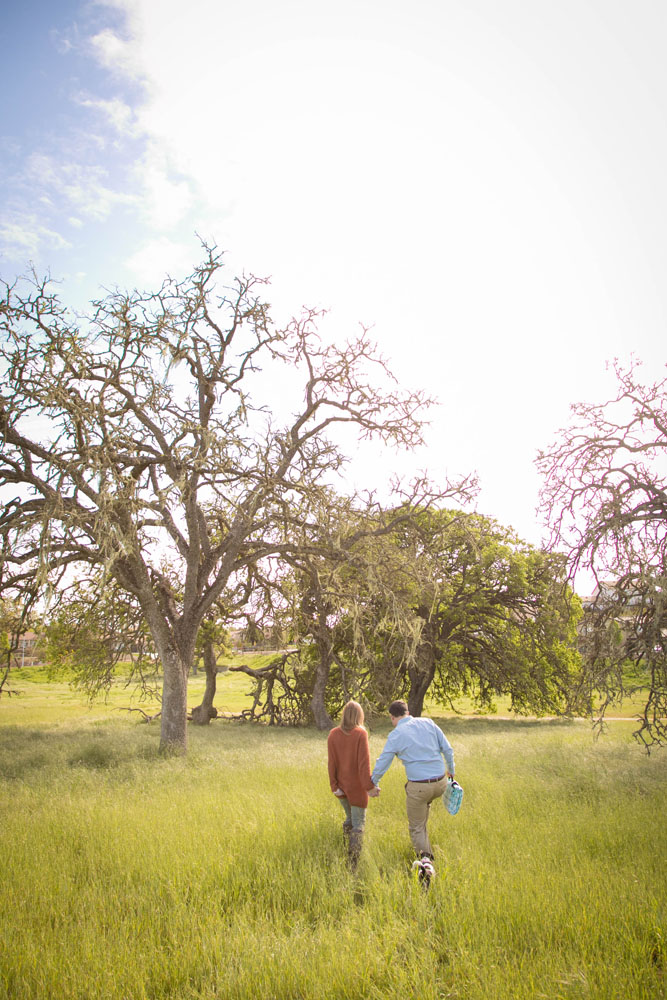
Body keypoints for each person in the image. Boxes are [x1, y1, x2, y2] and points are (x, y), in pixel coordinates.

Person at [370, 699, 455, 886]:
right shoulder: (428, 723)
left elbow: (383, 761)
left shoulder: (396, 734)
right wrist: (451, 770)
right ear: (407, 712)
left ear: (392, 717)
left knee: (416, 826)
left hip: (419, 786)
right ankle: (426, 851)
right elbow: (447, 749)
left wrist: (372, 783)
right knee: (423, 812)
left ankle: (426, 864)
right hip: (440, 783)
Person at [327, 700, 379, 869]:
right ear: (359, 716)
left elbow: (331, 763)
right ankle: (353, 863)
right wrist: (369, 787)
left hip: (341, 788)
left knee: (349, 819)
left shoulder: (333, 733)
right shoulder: (360, 733)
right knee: (358, 824)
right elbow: (364, 764)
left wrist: (334, 786)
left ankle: (345, 852)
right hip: (357, 789)